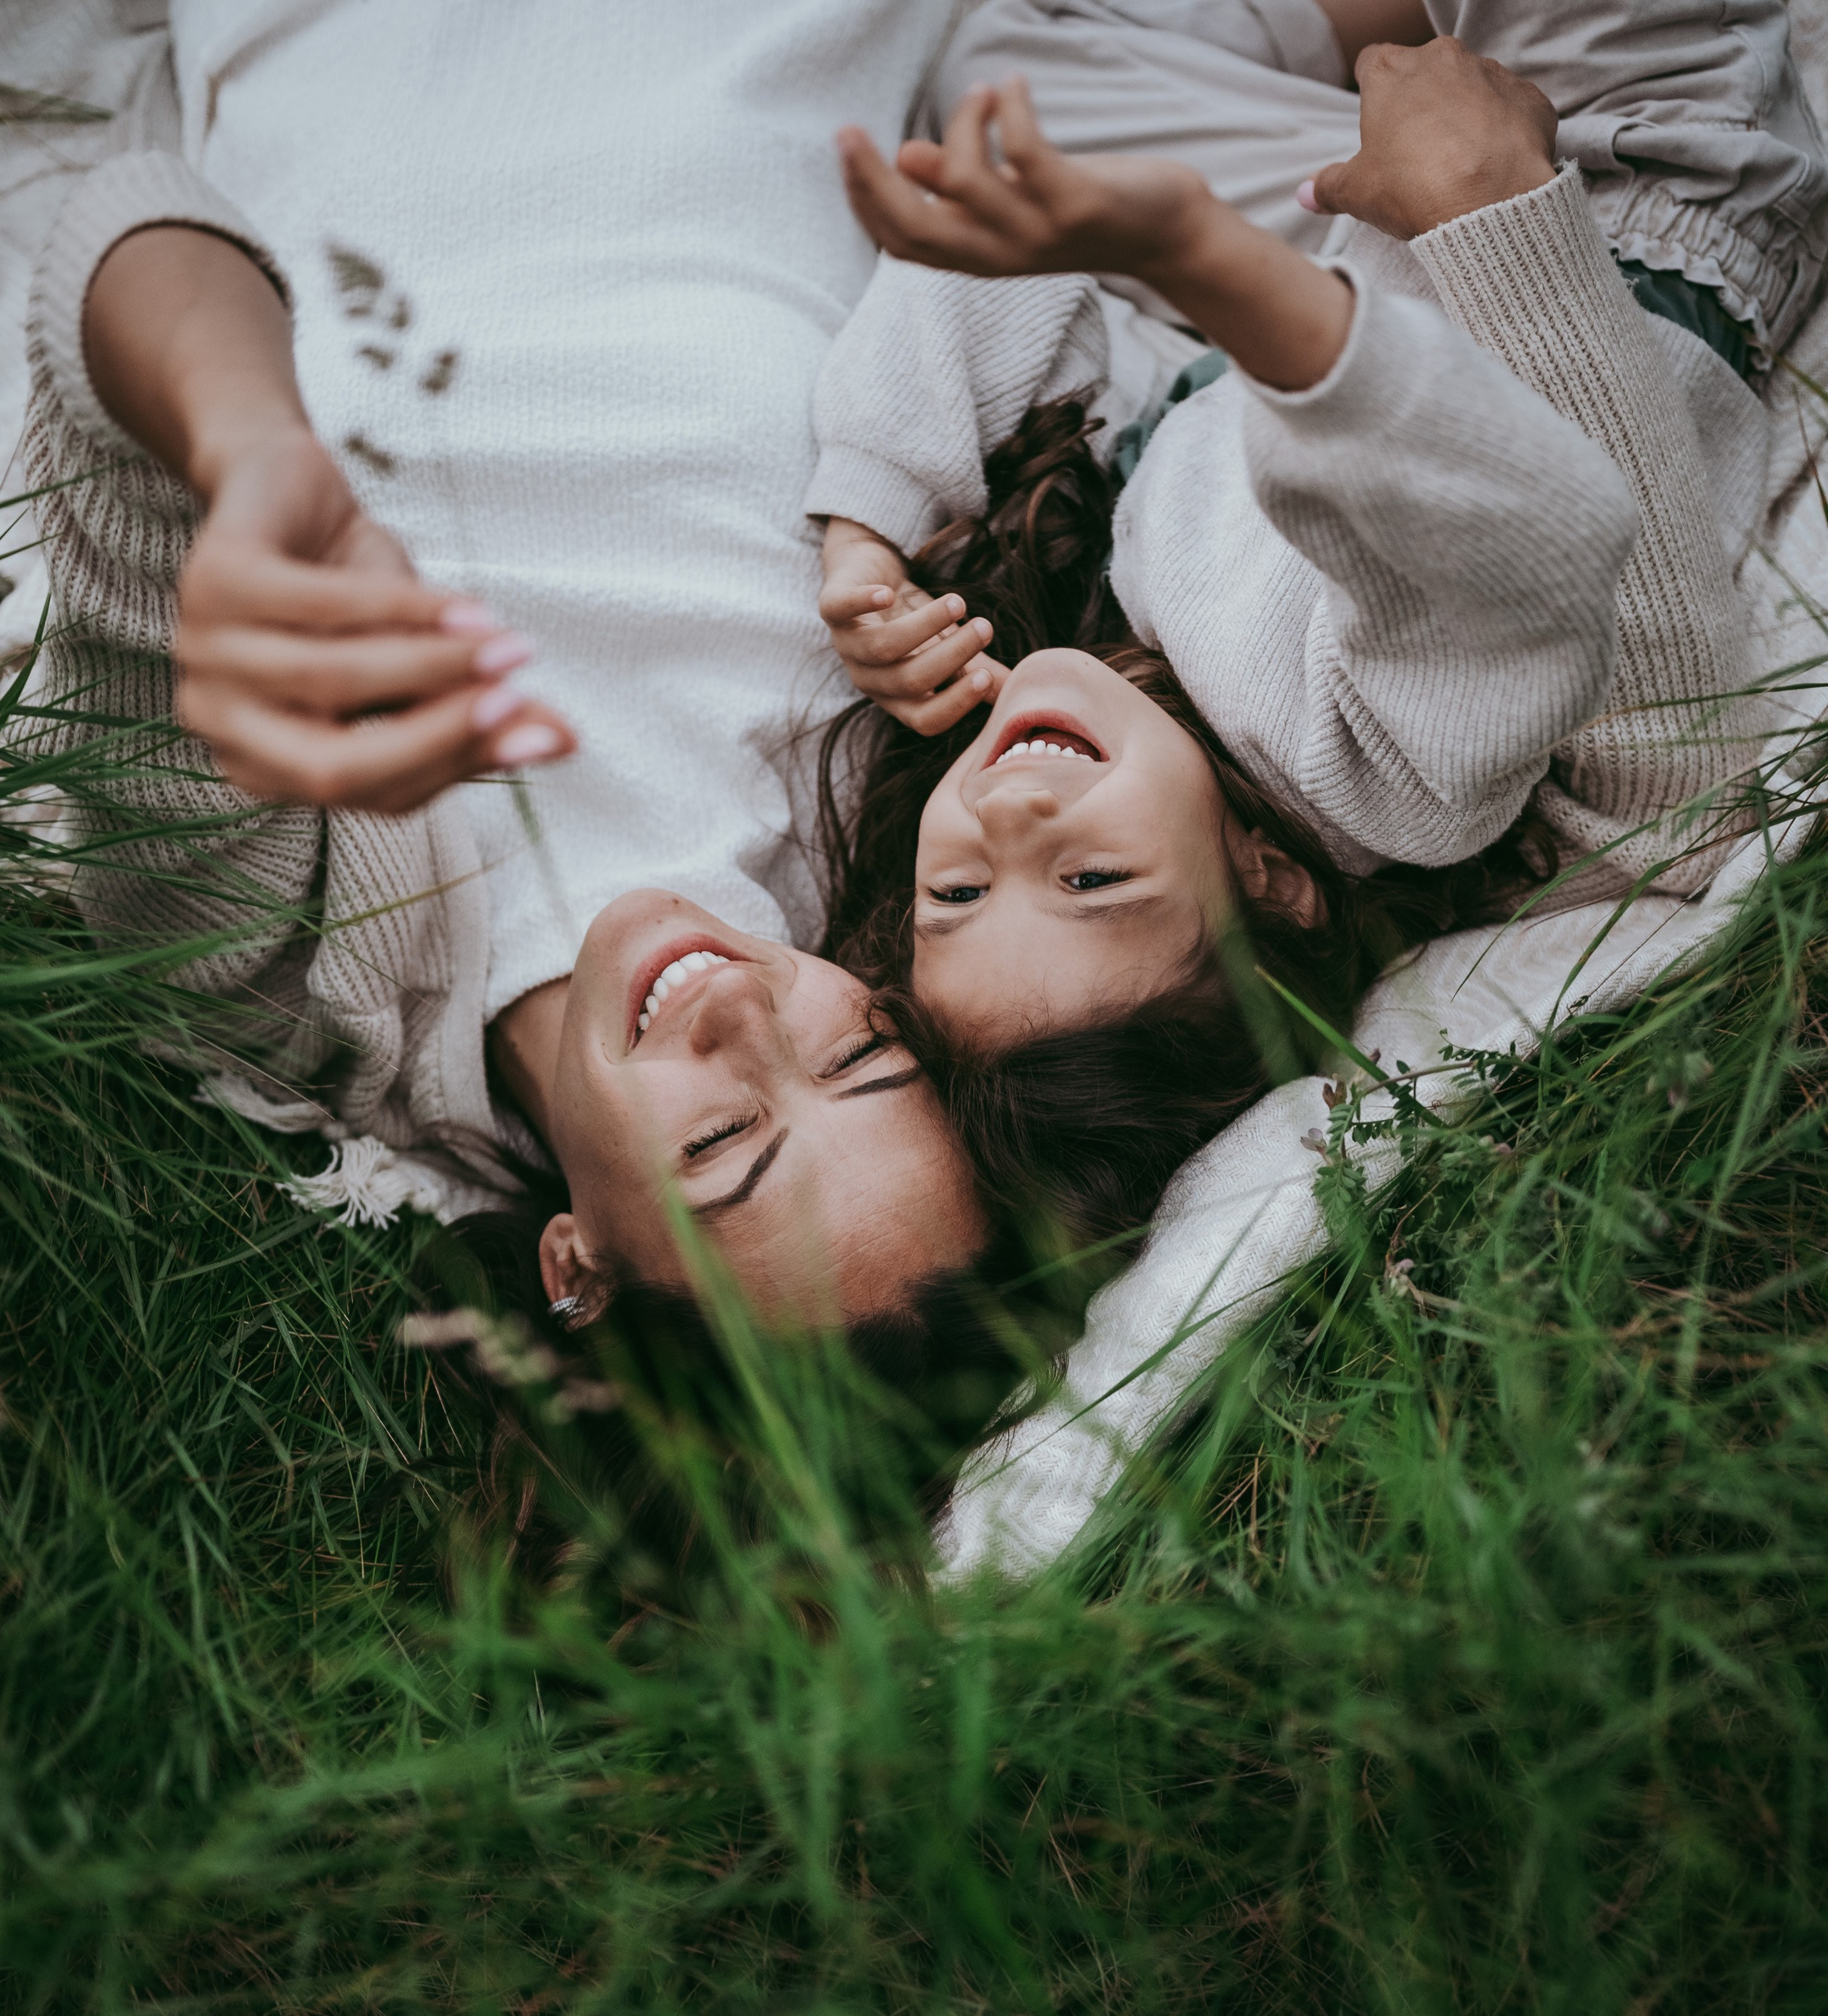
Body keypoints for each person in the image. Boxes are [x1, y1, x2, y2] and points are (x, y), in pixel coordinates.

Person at [19, 0, 998, 1346]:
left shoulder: (282, 982)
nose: (743, 1008)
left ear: (574, 1265)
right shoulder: (902, 791)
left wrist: (250, 457)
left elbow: (126, 230)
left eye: (720, 1141)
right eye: (859, 1053)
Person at [806, 9, 1821, 1244]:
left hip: (1361, 232)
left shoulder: (1139, 665)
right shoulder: (1384, 777)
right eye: (1090, 880)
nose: (1009, 817)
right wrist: (1215, 258)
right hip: (1632, 189)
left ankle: (1387, 42)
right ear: (1275, 885)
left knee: (994, 99)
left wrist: (871, 526)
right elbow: (1513, 538)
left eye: (959, 891)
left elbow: (1038, 302)